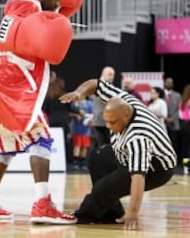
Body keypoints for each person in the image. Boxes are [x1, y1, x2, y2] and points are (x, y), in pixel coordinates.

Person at [0, 0, 83, 224]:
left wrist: (58, 11)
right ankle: (42, 204)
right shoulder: (30, 5)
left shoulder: (19, 4)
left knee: (5, 145)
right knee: (41, 138)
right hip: (9, 78)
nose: (57, 3)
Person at [59, 78, 176, 230]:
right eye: (106, 122)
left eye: (113, 122)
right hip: (126, 154)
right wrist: (78, 93)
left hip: (156, 169)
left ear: (126, 116)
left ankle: (83, 215)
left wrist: (133, 212)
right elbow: (97, 84)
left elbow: (138, 177)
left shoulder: (139, 136)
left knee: (103, 189)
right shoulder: (124, 99)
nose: (109, 126)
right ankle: (111, 212)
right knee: (98, 156)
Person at [91, 66, 115, 147]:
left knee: (104, 144)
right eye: (110, 74)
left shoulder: (107, 86)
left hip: (106, 120)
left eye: (113, 75)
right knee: (102, 144)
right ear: (103, 74)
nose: (112, 77)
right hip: (100, 120)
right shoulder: (100, 86)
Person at [164, 77, 181, 164]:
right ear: (164, 83)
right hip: (163, 123)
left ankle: (174, 160)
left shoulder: (177, 95)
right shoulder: (161, 94)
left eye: (171, 82)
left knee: (174, 143)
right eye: (167, 82)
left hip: (174, 123)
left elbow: (180, 109)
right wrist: (165, 118)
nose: (169, 84)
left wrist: (173, 118)